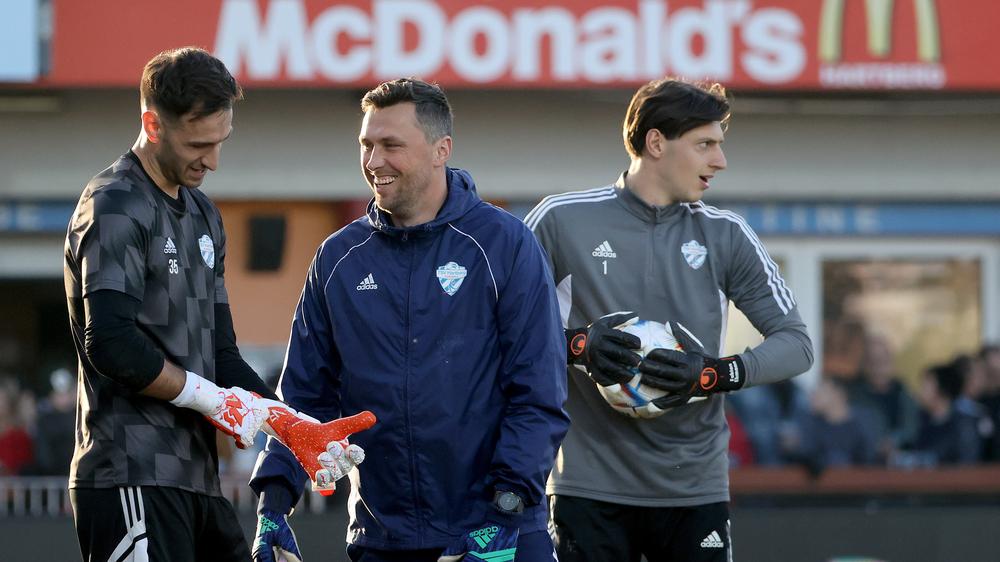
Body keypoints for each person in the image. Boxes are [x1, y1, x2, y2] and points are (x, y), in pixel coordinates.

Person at [64, 47, 367, 562]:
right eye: (198, 143)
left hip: (197, 480)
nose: (212, 160)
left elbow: (221, 355)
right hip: (128, 473)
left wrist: (290, 426)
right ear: (152, 125)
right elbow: (111, 344)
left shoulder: (204, 214)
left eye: (221, 141)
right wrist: (210, 400)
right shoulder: (115, 202)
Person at [249, 78, 570, 562]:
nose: (374, 162)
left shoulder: (505, 245)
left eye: (391, 145)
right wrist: (274, 504)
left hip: (499, 534)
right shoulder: (339, 258)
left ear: (441, 149)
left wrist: (503, 512)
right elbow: (302, 398)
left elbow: (539, 394)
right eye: (367, 145)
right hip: (383, 540)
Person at [525, 78, 814, 562]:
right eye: (705, 144)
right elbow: (492, 326)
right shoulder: (559, 219)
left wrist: (713, 374)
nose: (719, 161)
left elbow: (796, 344)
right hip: (588, 485)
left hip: (693, 489)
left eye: (719, 145)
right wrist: (577, 346)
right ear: (656, 142)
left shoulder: (727, 234)